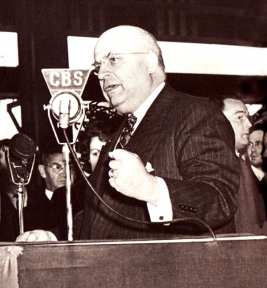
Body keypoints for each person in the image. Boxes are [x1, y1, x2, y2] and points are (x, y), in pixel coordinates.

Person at [17, 25, 239, 242]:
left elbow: (220, 199)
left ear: (150, 62)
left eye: (113, 60)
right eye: (98, 66)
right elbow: (102, 216)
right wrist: (55, 236)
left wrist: (153, 190)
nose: (102, 74)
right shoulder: (120, 132)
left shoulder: (195, 113)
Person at [219, 97, 266, 234]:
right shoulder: (226, 165)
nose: (248, 124)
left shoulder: (239, 163)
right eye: (240, 117)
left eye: (247, 117)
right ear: (218, 121)